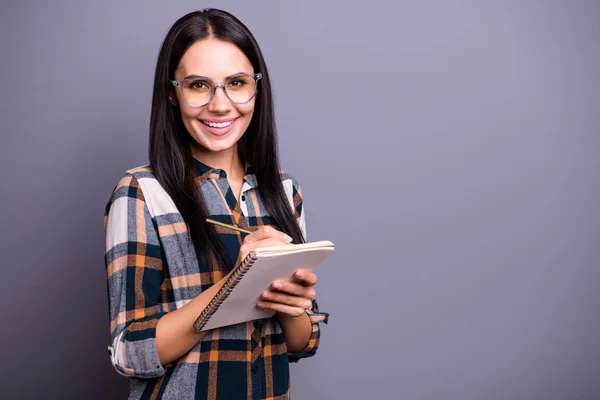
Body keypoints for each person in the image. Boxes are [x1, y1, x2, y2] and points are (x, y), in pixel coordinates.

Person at [103, 8, 328, 400]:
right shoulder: (141, 191)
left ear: (256, 88)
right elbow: (129, 353)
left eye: (236, 83)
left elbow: (301, 343)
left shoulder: (283, 190)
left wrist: (292, 305)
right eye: (198, 85)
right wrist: (236, 284)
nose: (221, 105)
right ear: (173, 94)